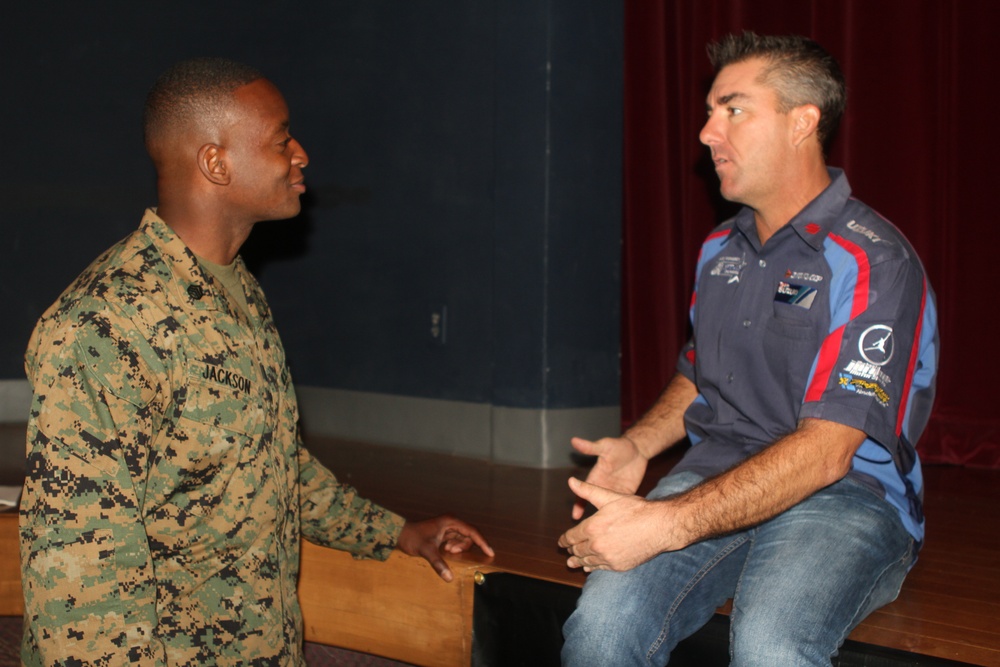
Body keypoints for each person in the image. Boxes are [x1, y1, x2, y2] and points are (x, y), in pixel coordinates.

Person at [19, 57, 493, 666]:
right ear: (216, 163)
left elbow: (265, 456)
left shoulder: (233, 289)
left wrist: (392, 531)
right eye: (280, 139)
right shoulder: (106, 324)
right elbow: (79, 575)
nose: (301, 154)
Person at [559, 32, 938, 666]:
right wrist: (638, 446)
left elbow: (825, 454)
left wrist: (662, 523)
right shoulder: (718, 250)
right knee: (599, 629)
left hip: (843, 493)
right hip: (715, 472)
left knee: (772, 647)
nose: (707, 132)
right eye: (709, 112)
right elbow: (698, 371)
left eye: (732, 109)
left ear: (802, 122)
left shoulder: (873, 258)